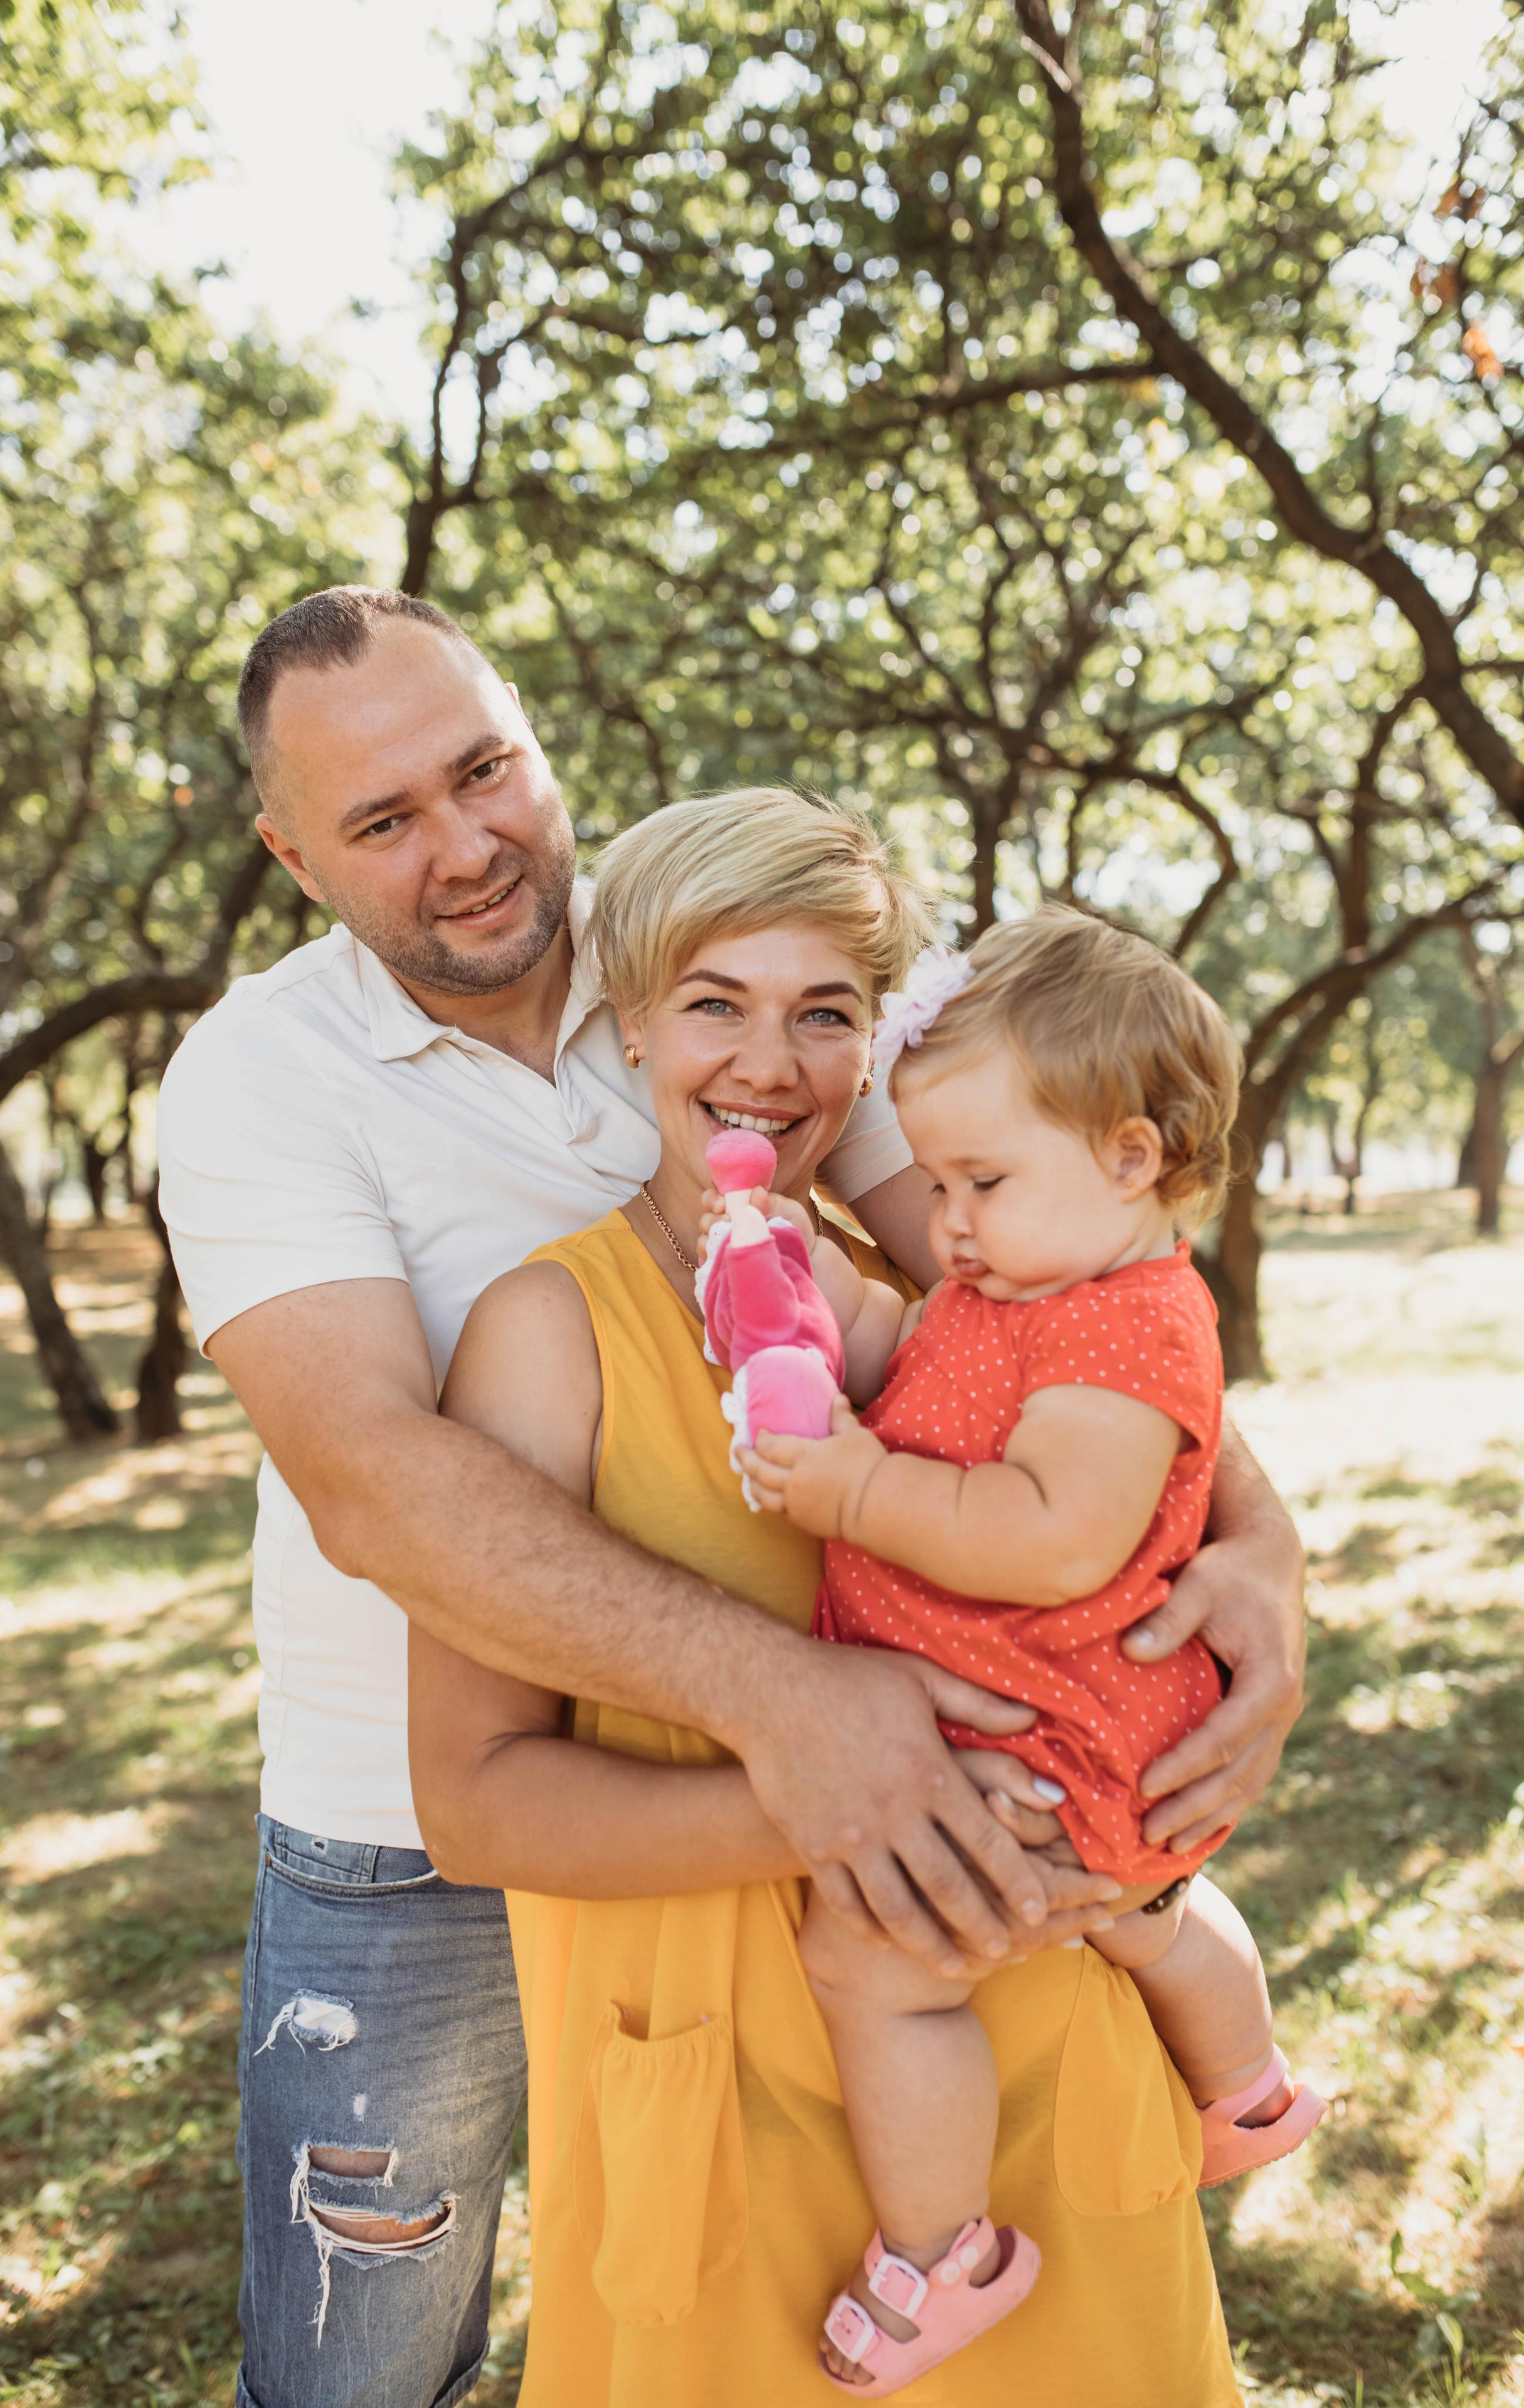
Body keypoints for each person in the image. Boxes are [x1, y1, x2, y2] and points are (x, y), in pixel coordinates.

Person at [156, 584, 1302, 2408]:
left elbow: (1042, 1293)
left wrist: (1255, 1548)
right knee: (371, 2356)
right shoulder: (263, 1084)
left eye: (484, 770)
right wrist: (810, 1720)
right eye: (384, 819)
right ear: (296, 857)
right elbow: (381, 1491)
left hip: (875, 1853)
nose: (463, 844)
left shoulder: (721, 949)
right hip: (429, 1811)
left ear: (538, 741)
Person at [408, 788, 1248, 2407]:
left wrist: (1235, 1628)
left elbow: (1135, 1489)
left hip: (1033, 2054)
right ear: (630, 1019)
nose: (769, 1066)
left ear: (873, 1045)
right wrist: (847, 1795)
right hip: (721, 2105)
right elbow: (475, 1806)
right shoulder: (545, 1333)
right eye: (715, 1004)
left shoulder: (942, 1289)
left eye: (826, 1014)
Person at [736, 911, 1325, 2390]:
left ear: (1130, 1158)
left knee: (876, 1968)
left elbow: (1053, 1534)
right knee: (1145, 1911)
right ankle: (1246, 2088)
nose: (944, 1220)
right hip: (1085, 1736)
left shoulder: (1128, 1334)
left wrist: (855, 1490)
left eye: (980, 1181)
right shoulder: (1027, 1287)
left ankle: (945, 2254)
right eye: (932, 1180)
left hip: (1044, 1742)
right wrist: (815, 1307)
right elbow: (925, 1364)